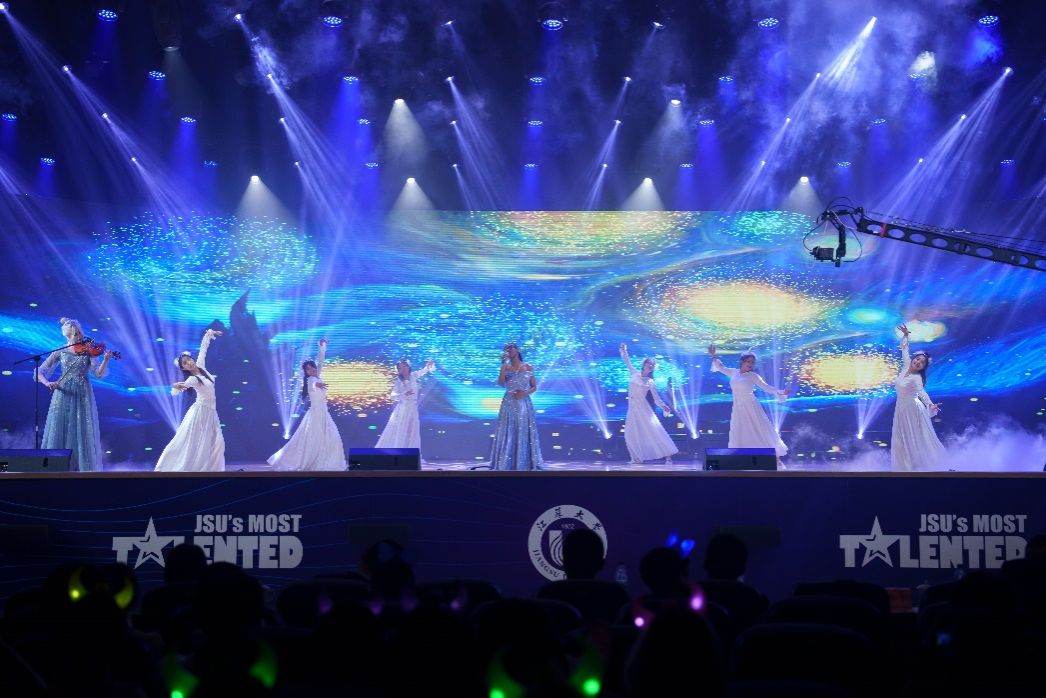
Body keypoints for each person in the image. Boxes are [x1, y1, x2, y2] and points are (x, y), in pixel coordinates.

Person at [37, 317, 112, 471]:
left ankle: (79, 469)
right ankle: (55, 468)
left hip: (82, 394)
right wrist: (47, 383)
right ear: (68, 335)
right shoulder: (60, 351)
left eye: (80, 333)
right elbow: (40, 371)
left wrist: (106, 360)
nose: (79, 336)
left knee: (81, 429)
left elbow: (98, 374)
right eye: (75, 334)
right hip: (62, 393)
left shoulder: (88, 351)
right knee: (60, 427)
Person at [269, 339, 345, 470]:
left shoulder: (317, 375)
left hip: (323, 412)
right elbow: (313, 385)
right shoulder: (311, 380)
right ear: (306, 372)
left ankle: (324, 461)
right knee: (315, 438)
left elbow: (321, 361)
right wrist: (317, 384)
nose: (311, 370)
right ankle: (312, 461)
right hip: (316, 414)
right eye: (308, 369)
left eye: (312, 367)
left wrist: (321, 346)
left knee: (329, 437)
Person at [154, 329, 225, 472]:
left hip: (211, 412)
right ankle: (174, 468)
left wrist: (210, 333)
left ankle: (212, 471)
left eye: (189, 360)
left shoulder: (201, 366)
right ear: (184, 368)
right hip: (201, 413)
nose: (189, 363)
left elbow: (203, 349)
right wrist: (175, 386)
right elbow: (179, 389)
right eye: (185, 363)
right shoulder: (192, 379)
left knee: (218, 443)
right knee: (194, 443)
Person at [707, 345, 788, 460]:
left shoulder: (753, 376)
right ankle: (741, 457)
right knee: (740, 431)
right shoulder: (734, 372)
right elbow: (721, 367)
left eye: (752, 362)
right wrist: (713, 356)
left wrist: (781, 392)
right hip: (738, 407)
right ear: (742, 361)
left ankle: (773, 456)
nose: (751, 364)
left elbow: (767, 387)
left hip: (751, 406)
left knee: (758, 429)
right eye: (749, 361)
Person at [891, 323, 945, 470]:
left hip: (912, 410)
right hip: (901, 409)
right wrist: (905, 335)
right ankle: (904, 469)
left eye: (922, 363)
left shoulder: (917, 378)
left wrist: (930, 404)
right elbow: (904, 349)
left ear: (923, 367)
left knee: (914, 439)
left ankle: (918, 469)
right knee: (901, 439)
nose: (918, 362)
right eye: (918, 359)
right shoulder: (906, 365)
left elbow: (921, 392)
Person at [619, 343, 677, 464]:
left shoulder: (650, 382)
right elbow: (627, 361)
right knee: (630, 434)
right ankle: (636, 458)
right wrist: (624, 350)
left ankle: (668, 454)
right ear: (644, 364)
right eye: (649, 363)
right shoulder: (634, 373)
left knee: (654, 430)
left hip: (643, 409)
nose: (651, 366)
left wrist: (664, 406)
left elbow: (656, 398)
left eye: (653, 365)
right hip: (632, 408)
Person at [489, 342, 543, 471]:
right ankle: (507, 462)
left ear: (517, 350)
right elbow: (501, 383)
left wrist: (524, 393)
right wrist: (503, 365)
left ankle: (523, 462)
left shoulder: (528, 366)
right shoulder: (506, 367)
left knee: (522, 428)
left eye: (511, 349)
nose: (509, 351)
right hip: (509, 401)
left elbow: (534, 387)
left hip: (523, 401)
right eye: (506, 350)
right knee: (508, 429)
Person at [375, 357, 436, 454]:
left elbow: (423, 371)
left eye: (404, 366)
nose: (402, 369)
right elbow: (392, 396)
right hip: (403, 409)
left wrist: (428, 366)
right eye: (400, 368)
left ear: (408, 367)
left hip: (412, 409)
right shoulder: (399, 381)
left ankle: (410, 453)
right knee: (401, 430)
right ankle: (398, 453)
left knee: (411, 431)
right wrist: (404, 394)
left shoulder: (413, 376)